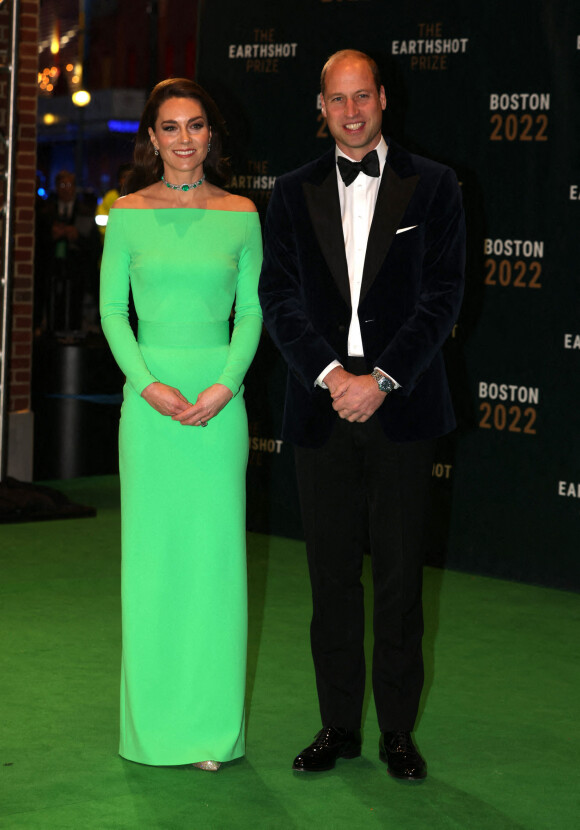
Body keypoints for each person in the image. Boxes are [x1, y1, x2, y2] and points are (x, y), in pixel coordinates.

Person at [259, 50, 465, 780]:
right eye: (336, 100)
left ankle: (398, 734)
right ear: (320, 106)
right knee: (330, 579)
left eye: (362, 97)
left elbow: (442, 298)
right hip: (320, 411)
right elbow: (278, 297)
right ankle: (338, 726)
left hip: (402, 408)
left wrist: (378, 378)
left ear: (383, 98)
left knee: (402, 579)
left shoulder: (434, 185)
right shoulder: (289, 192)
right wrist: (329, 376)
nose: (351, 112)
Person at [100, 78, 263, 771]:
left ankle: (208, 732)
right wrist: (147, 385)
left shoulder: (244, 213)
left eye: (196, 126)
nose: (184, 139)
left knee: (214, 568)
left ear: (211, 136)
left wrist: (226, 384)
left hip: (219, 414)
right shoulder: (127, 214)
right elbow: (111, 312)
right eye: (170, 127)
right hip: (150, 414)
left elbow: (252, 311)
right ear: (152, 139)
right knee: (153, 567)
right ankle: (154, 729)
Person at [37, 170, 100, 332]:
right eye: (62, 185)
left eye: (69, 185)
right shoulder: (47, 211)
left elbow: (94, 246)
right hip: (51, 270)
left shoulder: (85, 211)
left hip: (77, 272)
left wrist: (77, 236)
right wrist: (52, 235)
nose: (66, 189)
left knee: (74, 309)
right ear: (56, 187)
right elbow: (37, 241)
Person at [95, 163, 132, 241]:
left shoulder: (142, 198)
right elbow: (101, 220)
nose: (128, 180)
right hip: (111, 241)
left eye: (131, 177)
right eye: (125, 177)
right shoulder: (110, 197)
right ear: (119, 180)